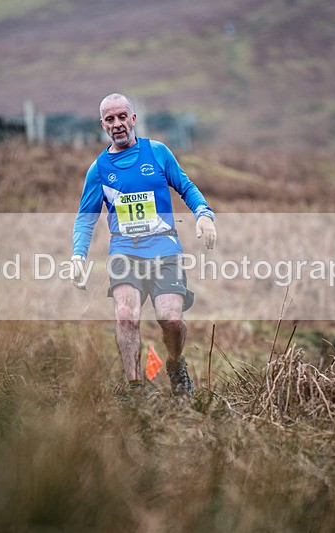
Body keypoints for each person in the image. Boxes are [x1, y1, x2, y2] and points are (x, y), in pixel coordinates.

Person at [71, 93, 217, 396]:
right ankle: (135, 388)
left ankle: (176, 365)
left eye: (122, 116)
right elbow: (85, 218)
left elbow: (186, 187)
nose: (117, 124)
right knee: (126, 317)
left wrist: (204, 215)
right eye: (110, 119)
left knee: (171, 320)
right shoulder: (98, 169)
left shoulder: (158, 153)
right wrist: (78, 255)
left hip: (164, 249)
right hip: (125, 250)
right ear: (103, 125)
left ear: (133, 118)